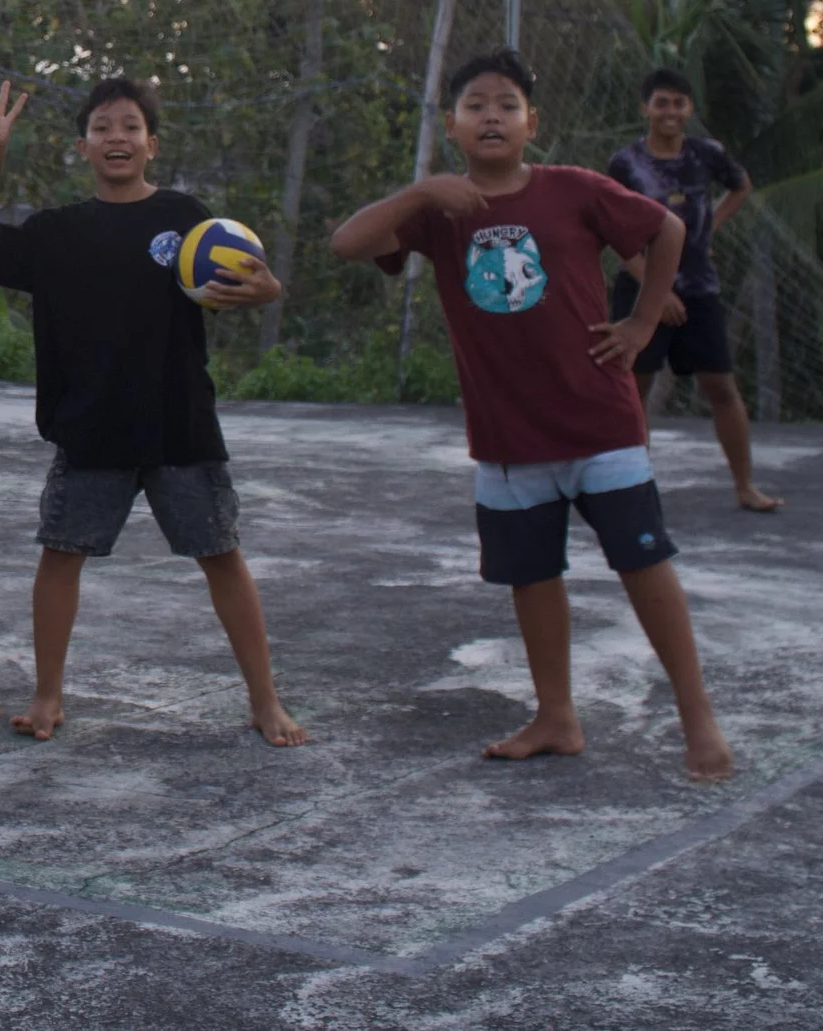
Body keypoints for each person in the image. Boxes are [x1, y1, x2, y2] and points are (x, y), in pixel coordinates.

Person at [329, 50, 734, 781]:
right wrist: (422, 190)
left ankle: (697, 718)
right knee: (533, 576)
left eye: (507, 105)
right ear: (452, 124)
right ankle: (557, 715)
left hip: (600, 425)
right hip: (508, 440)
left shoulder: (573, 189)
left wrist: (643, 323)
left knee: (643, 561)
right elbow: (347, 244)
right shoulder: (438, 210)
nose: (492, 116)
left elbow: (666, 232)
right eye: (476, 105)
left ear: (532, 123)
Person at [0, 78, 306, 746]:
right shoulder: (58, 231)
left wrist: (270, 288)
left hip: (180, 424)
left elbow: (252, 282)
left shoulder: (188, 219)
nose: (117, 137)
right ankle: (47, 696)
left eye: (131, 126)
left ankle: (266, 700)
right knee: (61, 556)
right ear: (82, 146)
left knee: (222, 556)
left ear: (152, 144)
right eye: (103, 127)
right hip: (90, 426)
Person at [605, 69, 778, 512]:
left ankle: (745, 486)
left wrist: (707, 228)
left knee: (720, 385)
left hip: (699, 287)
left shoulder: (707, 154)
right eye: (661, 103)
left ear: (690, 109)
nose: (670, 112)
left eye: (679, 103)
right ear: (645, 108)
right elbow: (614, 234)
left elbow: (740, 187)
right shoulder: (626, 163)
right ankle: (633, 493)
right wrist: (657, 291)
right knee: (633, 390)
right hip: (640, 290)